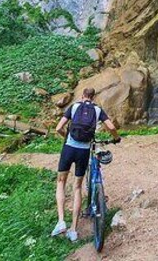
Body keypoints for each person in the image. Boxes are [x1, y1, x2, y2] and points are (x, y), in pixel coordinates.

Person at [52, 87, 120, 242]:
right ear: (93, 97)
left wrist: (66, 137)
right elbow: (111, 127)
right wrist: (116, 137)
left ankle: (61, 221)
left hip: (69, 148)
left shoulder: (74, 106)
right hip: (84, 150)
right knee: (77, 187)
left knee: (61, 182)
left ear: (82, 96)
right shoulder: (97, 110)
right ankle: (73, 229)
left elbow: (58, 128)